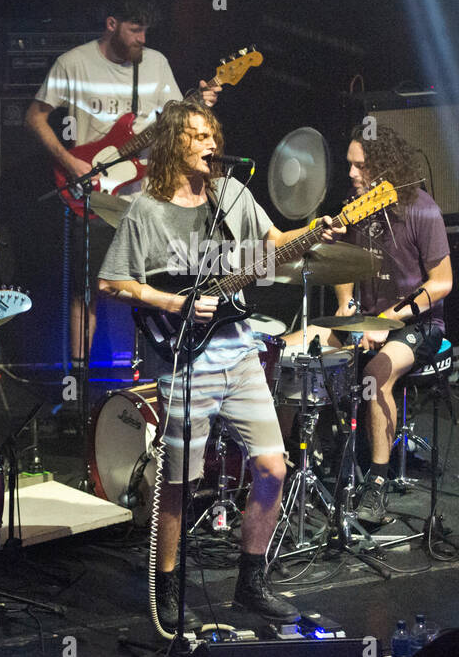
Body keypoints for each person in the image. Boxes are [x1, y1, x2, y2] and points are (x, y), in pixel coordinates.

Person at [98, 101, 340, 630]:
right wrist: (173, 303)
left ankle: (251, 584)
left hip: (239, 351)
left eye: (213, 133)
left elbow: (272, 247)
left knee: (274, 468)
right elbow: (111, 282)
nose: (210, 143)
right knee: (181, 481)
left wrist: (313, 233)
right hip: (185, 357)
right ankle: (166, 587)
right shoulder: (146, 210)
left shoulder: (232, 194)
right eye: (197, 135)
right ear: (172, 146)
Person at [25, 0, 218, 368]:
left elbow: (178, 124)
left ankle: (150, 372)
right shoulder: (74, 64)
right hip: (92, 191)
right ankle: (79, 379)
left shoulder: (156, 64)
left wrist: (202, 102)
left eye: (146, 31)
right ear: (111, 24)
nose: (142, 39)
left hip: (145, 196)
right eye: (134, 30)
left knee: (152, 285)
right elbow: (34, 117)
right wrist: (69, 161)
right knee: (88, 290)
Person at [329, 126, 453, 524]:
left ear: (384, 168)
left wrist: (389, 318)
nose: (351, 173)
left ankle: (377, 485)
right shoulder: (355, 205)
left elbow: (443, 283)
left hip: (417, 323)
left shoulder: (421, 208)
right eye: (349, 164)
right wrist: (346, 305)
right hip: (367, 318)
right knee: (292, 349)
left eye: (360, 166)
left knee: (375, 372)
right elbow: (340, 262)